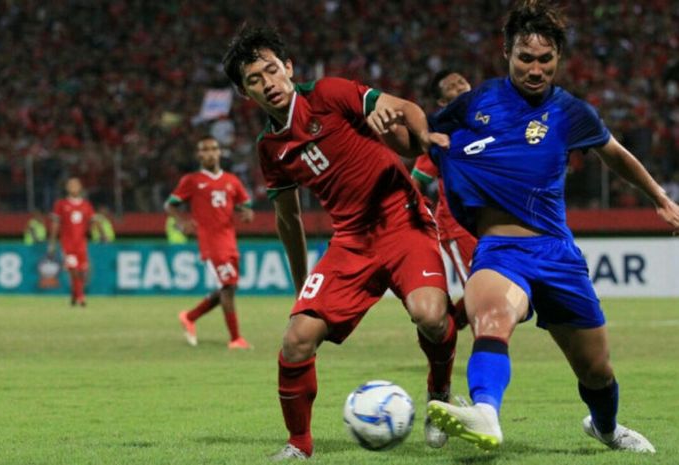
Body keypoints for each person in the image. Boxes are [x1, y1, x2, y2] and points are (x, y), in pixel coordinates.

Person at [421, 0, 679, 454]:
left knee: (597, 371)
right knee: (493, 320)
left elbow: (615, 154)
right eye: (526, 58)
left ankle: (605, 428)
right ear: (507, 53)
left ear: (558, 58)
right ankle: (486, 413)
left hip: (558, 255)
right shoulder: (477, 101)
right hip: (499, 251)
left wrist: (659, 199)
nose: (535, 69)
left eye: (545, 59)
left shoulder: (571, 113)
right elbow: (421, 133)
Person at [223, 25, 456, 460]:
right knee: (296, 339)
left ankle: (439, 394)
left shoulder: (329, 93)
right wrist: (301, 286)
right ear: (244, 92)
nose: (267, 83)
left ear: (288, 68)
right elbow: (287, 220)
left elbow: (403, 107)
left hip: (402, 221)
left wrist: (423, 140)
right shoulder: (271, 148)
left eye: (272, 70)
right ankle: (299, 445)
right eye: (254, 79)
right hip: (351, 242)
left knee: (431, 316)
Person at [165, 136, 254, 349]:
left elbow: (245, 206)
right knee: (228, 286)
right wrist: (181, 222)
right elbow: (171, 204)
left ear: (219, 152)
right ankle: (235, 339)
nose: (210, 153)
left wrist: (247, 213)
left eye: (214, 148)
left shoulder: (232, 181)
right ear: (199, 155)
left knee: (228, 288)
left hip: (229, 241)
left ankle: (190, 316)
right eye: (205, 150)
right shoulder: (192, 180)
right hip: (211, 242)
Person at [411, 70, 478, 329]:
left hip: (487, 221)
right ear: (442, 102)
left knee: (500, 283)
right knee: (479, 290)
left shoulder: (485, 122)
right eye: (451, 86)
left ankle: (441, 324)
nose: (459, 85)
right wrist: (419, 216)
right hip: (457, 225)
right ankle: (484, 360)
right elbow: (415, 183)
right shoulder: (442, 133)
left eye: (462, 80)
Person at [48, 177, 100, 306]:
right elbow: (55, 224)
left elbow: (93, 221)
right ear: (67, 188)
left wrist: (98, 233)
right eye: (71, 185)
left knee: (82, 271)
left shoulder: (86, 205)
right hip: (67, 244)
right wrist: (52, 242)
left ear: (80, 187)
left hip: (81, 244)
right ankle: (81, 297)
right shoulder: (61, 204)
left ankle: (74, 293)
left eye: (76, 185)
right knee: (74, 270)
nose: (73, 187)